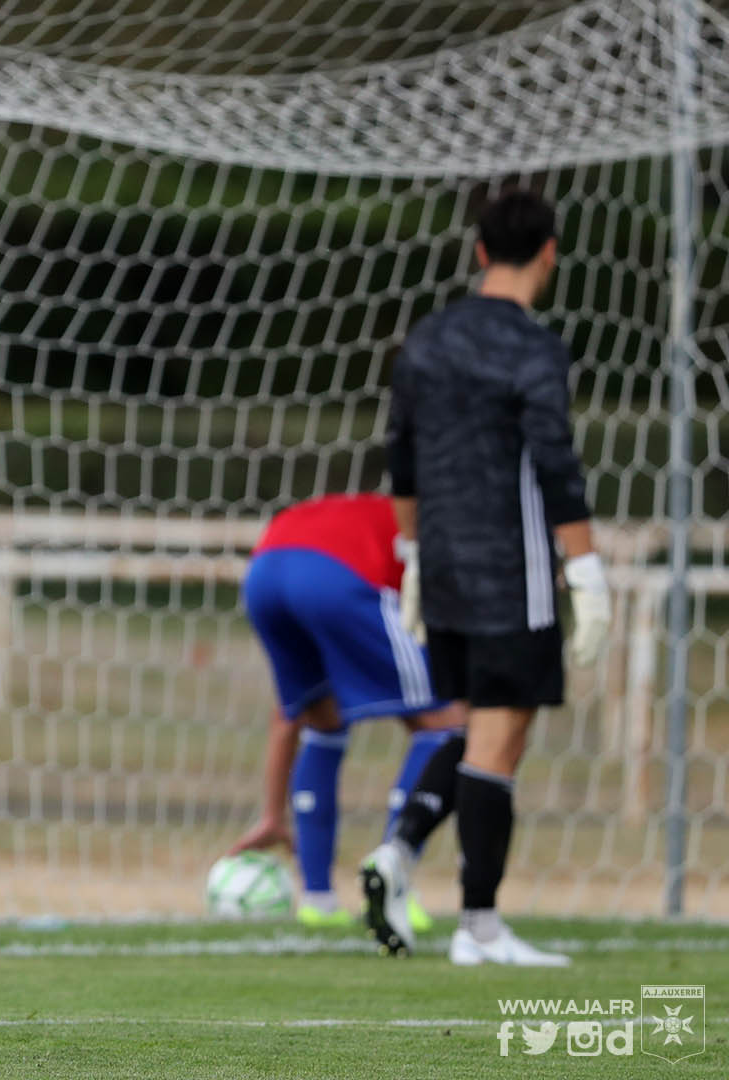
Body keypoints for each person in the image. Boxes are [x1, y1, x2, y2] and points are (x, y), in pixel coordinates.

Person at [365, 188, 609, 967]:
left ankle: (400, 852)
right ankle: (480, 926)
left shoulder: (428, 340)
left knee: (475, 729)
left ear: (477, 253)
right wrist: (589, 568)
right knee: (500, 741)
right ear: (550, 253)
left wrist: (410, 555)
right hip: (516, 571)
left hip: (442, 564)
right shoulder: (535, 348)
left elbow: (399, 455)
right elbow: (556, 463)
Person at [227, 493, 464, 930]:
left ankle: (317, 899)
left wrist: (271, 816)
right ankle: (395, 878)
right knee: (445, 724)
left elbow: (286, 720)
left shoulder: (352, 512)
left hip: (262, 573)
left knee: (321, 717)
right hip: (335, 575)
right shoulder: (433, 529)